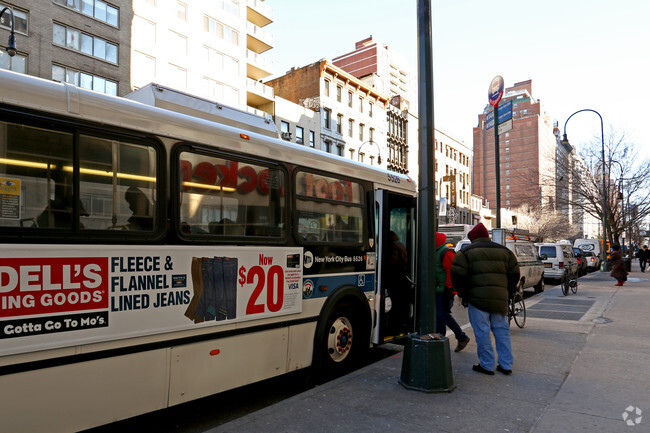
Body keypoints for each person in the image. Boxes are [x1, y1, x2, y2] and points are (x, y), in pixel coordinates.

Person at [451, 223, 520, 376]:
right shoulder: (505, 252)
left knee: (482, 332)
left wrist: (464, 294)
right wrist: (507, 291)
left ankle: (487, 365)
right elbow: (514, 274)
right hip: (500, 299)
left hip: (477, 300)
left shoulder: (465, 252)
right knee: (502, 332)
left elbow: (457, 275)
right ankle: (506, 364)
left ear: (473, 238)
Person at [434, 232, 470, 352]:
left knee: (443, 314)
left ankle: (461, 337)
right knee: (440, 316)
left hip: (445, 290)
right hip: (441, 289)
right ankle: (440, 340)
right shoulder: (438, 251)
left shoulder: (444, 252)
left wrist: (449, 288)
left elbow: (451, 271)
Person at [385, 230, 411, 332]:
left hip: (395, 279)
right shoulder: (400, 244)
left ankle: (395, 325)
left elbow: (392, 261)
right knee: (400, 303)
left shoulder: (393, 246)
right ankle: (400, 323)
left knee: (395, 303)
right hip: (401, 278)